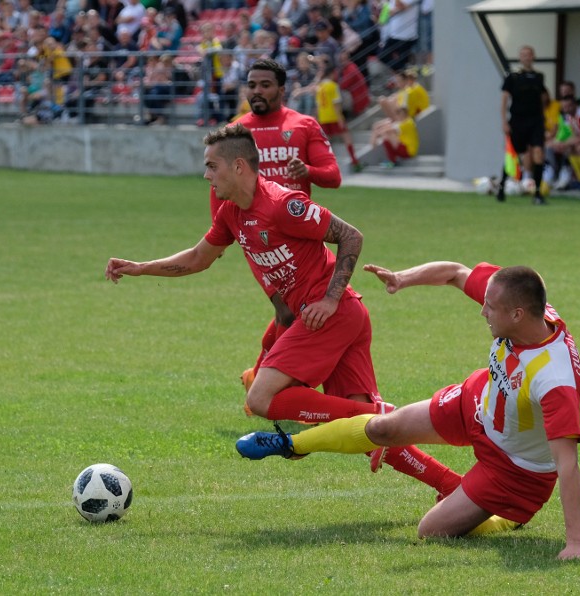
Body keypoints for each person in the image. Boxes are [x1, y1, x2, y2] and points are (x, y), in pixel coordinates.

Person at [108, 123, 463, 498]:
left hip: (331, 314)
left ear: (239, 166)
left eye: (213, 166)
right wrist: (140, 267)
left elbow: (351, 236)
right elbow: (199, 258)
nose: (206, 174)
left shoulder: (282, 205)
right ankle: (450, 484)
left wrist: (329, 298)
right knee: (367, 434)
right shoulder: (231, 213)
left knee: (260, 399)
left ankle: (375, 410)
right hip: (338, 317)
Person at [237, 259, 580, 561]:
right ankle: (290, 445)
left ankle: (509, 518)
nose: (482, 311)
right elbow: (454, 272)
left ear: (517, 314)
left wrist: (575, 543)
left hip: (515, 469)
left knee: (431, 531)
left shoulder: (554, 379)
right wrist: (403, 278)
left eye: (490, 308)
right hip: (475, 403)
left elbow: (567, 463)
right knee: (382, 429)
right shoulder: (520, 302)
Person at [217, 58, 341, 401]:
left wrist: (308, 170)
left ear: (281, 89)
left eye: (265, 85)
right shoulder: (237, 130)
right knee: (288, 311)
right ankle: (268, 384)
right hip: (258, 240)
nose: (257, 91)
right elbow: (219, 187)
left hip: (301, 238)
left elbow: (333, 176)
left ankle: (262, 380)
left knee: (296, 312)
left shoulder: (303, 125)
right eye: (252, 85)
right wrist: (221, 234)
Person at [499, 45, 548, 205]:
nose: (526, 57)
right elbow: (504, 99)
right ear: (520, 57)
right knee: (515, 154)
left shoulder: (539, 77)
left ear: (533, 56)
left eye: (529, 54)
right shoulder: (512, 77)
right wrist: (504, 121)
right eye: (523, 55)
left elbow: (543, 98)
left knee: (538, 152)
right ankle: (502, 186)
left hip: (535, 120)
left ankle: (538, 193)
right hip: (518, 120)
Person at [316, 60, 363, 172]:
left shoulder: (320, 87)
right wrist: (340, 118)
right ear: (332, 73)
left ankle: (325, 164)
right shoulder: (333, 86)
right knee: (346, 135)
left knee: (326, 141)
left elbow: (318, 105)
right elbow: (336, 103)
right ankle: (354, 160)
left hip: (323, 117)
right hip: (333, 116)